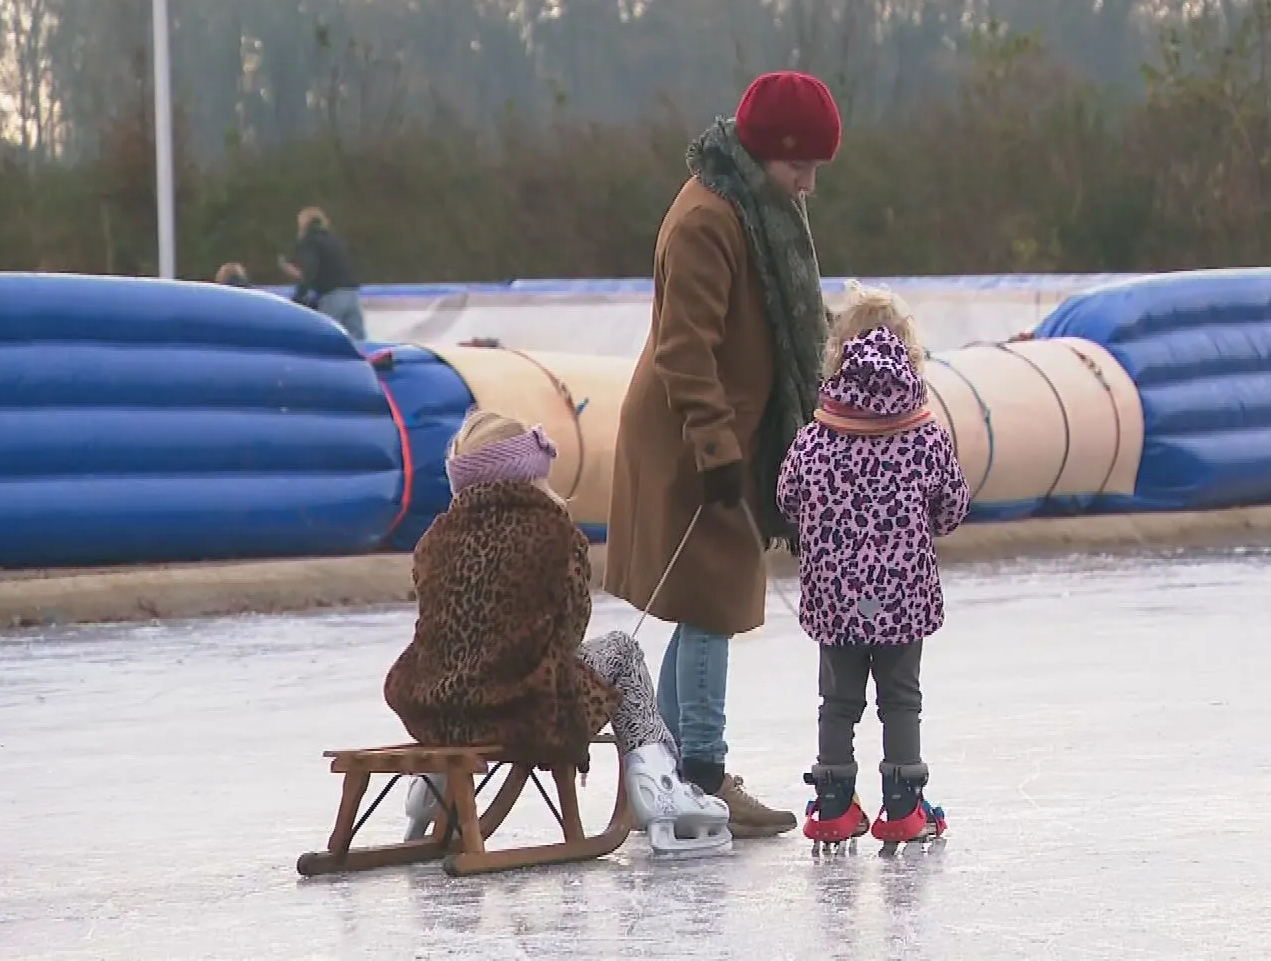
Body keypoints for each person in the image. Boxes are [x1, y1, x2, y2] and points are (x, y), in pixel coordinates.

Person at [602, 71, 844, 839]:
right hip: (692, 435)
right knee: (711, 604)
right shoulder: (709, 220)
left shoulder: (759, 208)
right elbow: (685, 350)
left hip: (726, 432)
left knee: (700, 605)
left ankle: (665, 764)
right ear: (765, 150)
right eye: (799, 164)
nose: (809, 182)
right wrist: (714, 451)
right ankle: (702, 774)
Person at [384, 409, 731, 859]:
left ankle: (428, 792)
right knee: (621, 651)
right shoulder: (552, 532)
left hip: (436, 709)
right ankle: (658, 784)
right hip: (522, 707)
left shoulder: (435, 539)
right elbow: (569, 630)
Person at [777, 285, 971, 845]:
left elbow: (788, 497)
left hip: (835, 597)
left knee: (837, 702)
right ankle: (904, 806)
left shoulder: (816, 436)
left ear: (838, 352)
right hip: (904, 595)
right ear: (909, 353)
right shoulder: (924, 435)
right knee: (900, 699)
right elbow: (952, 504)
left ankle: (834, 805)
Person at [279, 206, 365, 340]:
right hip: (352, 293)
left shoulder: (310, 241)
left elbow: (311, 270)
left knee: (324, 337)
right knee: (358, 340)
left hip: (332, 295)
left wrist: (298, 296)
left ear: (303, 223)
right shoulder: (336, 240)